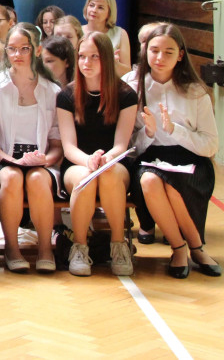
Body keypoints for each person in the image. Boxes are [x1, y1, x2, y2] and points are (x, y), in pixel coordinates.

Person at [122, 24, 221, 278]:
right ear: (145, 52)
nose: (159, 58)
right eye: (154, 51)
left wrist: (175, 130)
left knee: (174, 187)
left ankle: (196, 248)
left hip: (189, 159)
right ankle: (180, 248)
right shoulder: (131, 85)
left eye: (168, 52)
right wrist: (150, 133)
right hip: (149, 156)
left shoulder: (196, 91)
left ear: (180, 54)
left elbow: (210, 145)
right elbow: (127, 146)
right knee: (151, 181)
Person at [0, 23, 63, 272]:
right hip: (4, 159)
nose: (17, 55)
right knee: (12, 178)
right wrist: (9, 160)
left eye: (24, 49)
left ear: (36, 50)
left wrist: (46, 160)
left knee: (38, 179)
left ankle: (45, 249)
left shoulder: (52, 91)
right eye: (12, 49)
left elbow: (58, 141)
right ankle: (12, 248)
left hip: (42, 160)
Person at [57, 31, 138, 277]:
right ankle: (80, 246)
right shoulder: (67, 95)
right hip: (78, 163)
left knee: (109, 175)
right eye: (82, 56)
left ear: (106, 59)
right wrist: (89, 161)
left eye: (94, 57)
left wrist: (104, 160)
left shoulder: (126, 94)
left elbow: (121, 145)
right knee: (85, 178)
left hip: (113, 161)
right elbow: (69, 147)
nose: (86, 63)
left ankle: (118, 244)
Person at [82, 0, 132, 76]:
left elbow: (127, 73)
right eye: (91, 5)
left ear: (109, 13)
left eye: (100, 7)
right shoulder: (76, 31)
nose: (94, 10)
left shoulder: (120, 33)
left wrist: (114, 64)